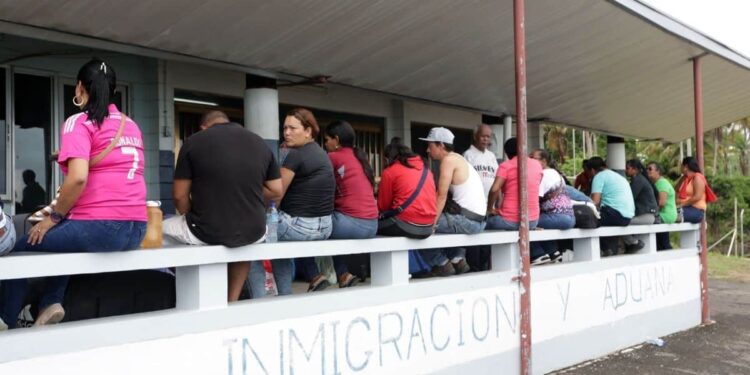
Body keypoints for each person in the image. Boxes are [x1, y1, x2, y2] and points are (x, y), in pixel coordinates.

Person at [0, 58, 147, 329]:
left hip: (102, 228)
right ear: (112, 90)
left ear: (79, 88)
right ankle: (49, 303)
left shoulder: (79, 122)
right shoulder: (131, 125)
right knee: (65, 240)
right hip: (137, 228)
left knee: (22, 246)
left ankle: (5, 319)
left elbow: (78, 177)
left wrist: (53, 217)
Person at [164, 110, 282, 302]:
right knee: (245, 241)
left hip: (207, 228)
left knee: (162, 232)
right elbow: (276, 190)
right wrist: (247, 195)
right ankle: (231, 299)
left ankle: (194, 293)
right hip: (255, 229)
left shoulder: (194, 141)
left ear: (203, 127)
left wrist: (191, 215)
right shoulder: (259, 142)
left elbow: (179, 195)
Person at [250, 108, 335, 296]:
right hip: (324, 227)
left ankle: (257, 300)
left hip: (301, 227)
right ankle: (285, 296)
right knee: (276, 243)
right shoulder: (322, 154)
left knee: (249, 238)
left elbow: (276, 194)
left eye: (293, 128)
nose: (287, 133)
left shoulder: (296, 155)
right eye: (284, 128)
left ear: (308, 131)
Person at [298, 120, 378, 289]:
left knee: (305, 229)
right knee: (332, 229)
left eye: (327, 140)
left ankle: (314, 276)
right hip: (372, 225)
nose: (325, 144)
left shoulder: (332, 157)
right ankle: (344, 275)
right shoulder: (360, 157)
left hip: (351, 223)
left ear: (336, 139)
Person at [419, 127, 487, 276]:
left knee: (421, 226)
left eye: (430, 146)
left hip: (467, 221)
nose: (427, 151)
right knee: (438, 224)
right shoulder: (459, 159)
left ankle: (440, 262)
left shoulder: (448, 161)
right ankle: (457, 259)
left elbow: (441, 197)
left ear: (441, 145)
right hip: (478, 221)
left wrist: (432, 224)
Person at [377, 137, 437, 239]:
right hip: (429, 227)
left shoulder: (390, 171)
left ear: (388, 158)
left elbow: (383, 206)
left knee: (367, 227)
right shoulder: (426, 169)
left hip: (405, 224)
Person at [530, 149, 575, 264]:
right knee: (540, 224)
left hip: (558, 216)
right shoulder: (556, 173)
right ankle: (553, 252)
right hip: (569, 217)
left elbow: (535, 199)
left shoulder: (544, 174)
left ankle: (537, 254)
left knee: (527, 223)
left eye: (532, 158)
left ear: (544, 161)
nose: (529, 160)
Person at [487, 138, 543, 231]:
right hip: (533, 221)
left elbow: (494, 189)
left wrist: (490, 208)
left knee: (483, 223)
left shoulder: (506, 165)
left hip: (509, 221)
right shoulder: (537, 165)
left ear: (507, 153)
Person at [462, 124, 498, 271]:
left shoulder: (491, 156)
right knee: (475, 240)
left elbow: (497, 180)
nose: (485, 139)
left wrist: (497, 203)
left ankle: (483, 269)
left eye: (488, 136)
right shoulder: (468, 155)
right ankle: (474, 269)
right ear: (475, 136)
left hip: (490, 206)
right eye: (483, 136)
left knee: (487, 241)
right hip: (474, 206)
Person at [586, 157, 635, 256]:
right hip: (627, 217)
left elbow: (594, 202)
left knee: (587, 220)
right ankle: (609, 249)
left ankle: (604, 249)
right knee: (602, 218)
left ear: (592, 170)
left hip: (615, 214)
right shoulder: (618, 176)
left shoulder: (599, 176)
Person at [623, 159, 659, 253]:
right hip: (646, 215)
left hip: (646, 216)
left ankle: (634, 242)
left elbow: (629, 198)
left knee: (621, 222)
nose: (625, 170)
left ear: (634, 169)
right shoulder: (638, 179)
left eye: (627, 168)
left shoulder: (638, 180)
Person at [647, 162, 677, 250]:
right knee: (661, 241)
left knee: (646, 221)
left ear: (658, 171)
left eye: (650, 169)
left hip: (665, 214)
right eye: (646, 168)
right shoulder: (657, 183)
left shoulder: (662, 183)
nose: (647, 171)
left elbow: (661, 203)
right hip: (662, 214)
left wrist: (650, 212)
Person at [676, 157, 708, 224]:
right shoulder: (685, 178)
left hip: (696, 210)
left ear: (686, 166)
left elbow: (697, 197)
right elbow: (676, 189)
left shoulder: (697, 177)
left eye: (681, 165)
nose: (680, 168)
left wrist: (682, 204)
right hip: (685, 208)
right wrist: (683, 179)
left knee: (671, 215)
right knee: (666, 214)